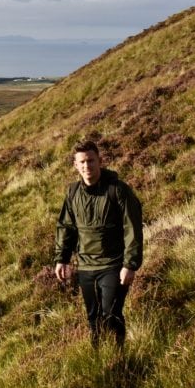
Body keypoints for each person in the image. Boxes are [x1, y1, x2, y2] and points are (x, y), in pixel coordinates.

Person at [54, 140, 143, 348]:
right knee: (94, 318)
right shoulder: (72, 192)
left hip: (114, 264)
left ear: (100, 161)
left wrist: (130, 265)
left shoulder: (118, 190)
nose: (87, 166)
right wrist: (62, 259)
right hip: (85, 266)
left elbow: (133, 228)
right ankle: (98, 357)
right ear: (76, 165)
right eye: (82, 162)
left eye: (91, 161)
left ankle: (119, 356)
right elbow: (66, 226)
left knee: (111, 314)